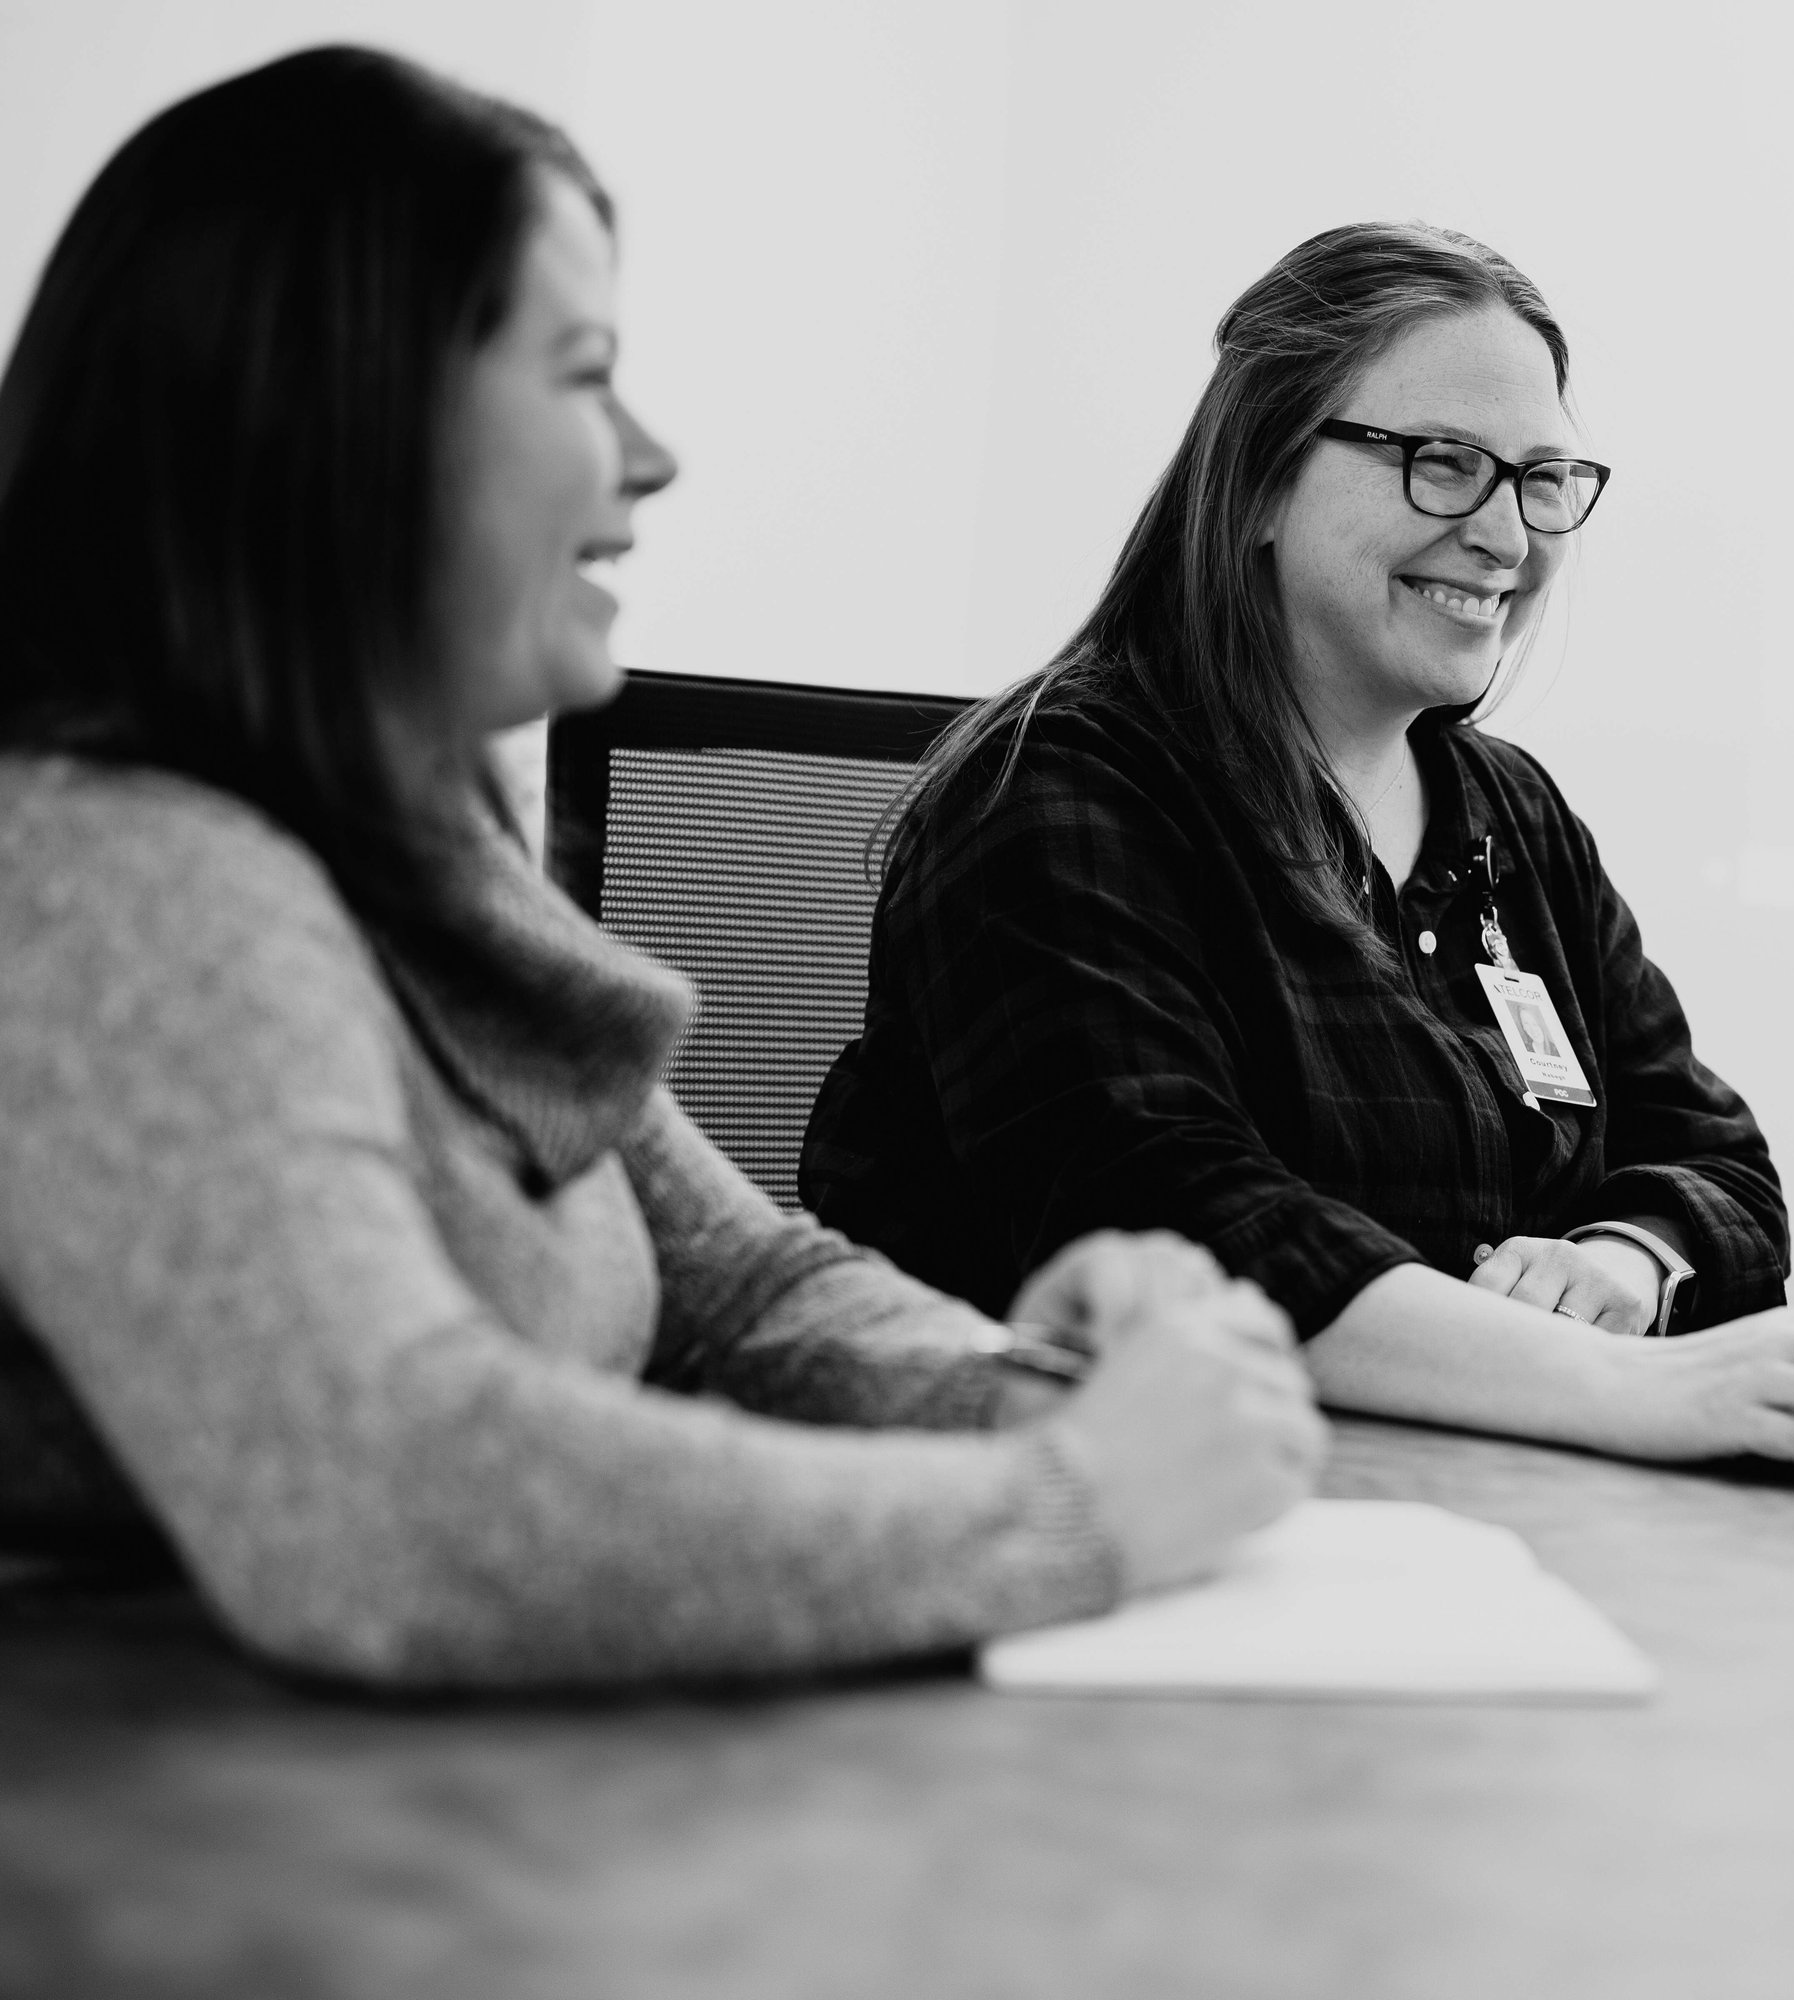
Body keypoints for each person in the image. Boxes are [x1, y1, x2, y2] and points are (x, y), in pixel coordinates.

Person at [0, 47, 1326, 1688]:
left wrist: (1039, 1383)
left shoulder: (411, 839)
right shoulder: (109, 877)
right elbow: (389, 1498)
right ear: (346, 420)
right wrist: (1068, 1501)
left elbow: (738, 1291)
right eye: (582, 374)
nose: (650, 455)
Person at [801, 222, 1794, 1498]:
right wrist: (1630, 1386)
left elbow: (1721, 1163)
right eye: (1442, 463)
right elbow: (1172, 1225)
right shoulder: (1054, 793)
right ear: (1254, 481)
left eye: (1540, 479)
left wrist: (1626, 1257)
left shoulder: (1512, 819)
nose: (1505, 537)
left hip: (1473, 1521)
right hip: (1101, 1532)